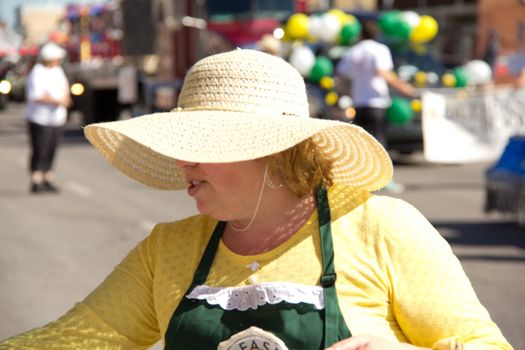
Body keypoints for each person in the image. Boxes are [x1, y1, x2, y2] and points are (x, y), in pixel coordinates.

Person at [0, 49, 513, 350]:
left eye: (200, 146)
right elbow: (76, 338)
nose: (183, 163)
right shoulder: (168, 249)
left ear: (270, 151)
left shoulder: (381, 227)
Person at [336, 21, 416, 193]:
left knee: (360, 144)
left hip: (359, 103)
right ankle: (383, 179)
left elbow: (341, 76)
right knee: (379, 142)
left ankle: (360, 179)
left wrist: (348, 92)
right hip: (376, 102)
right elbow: (383, 72)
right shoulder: (379, 49)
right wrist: (404, 88)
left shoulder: (353, 51)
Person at [24, 42, 71, 193]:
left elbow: (64, 89)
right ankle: (36, 179)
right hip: (40, 118)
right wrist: (56, 100)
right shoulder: (37, 72)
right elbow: (36, 95)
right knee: (40, 149)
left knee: (51, 149)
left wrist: (65, 99)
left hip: (56, 118)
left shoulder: (58, 71)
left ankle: (47, 177)